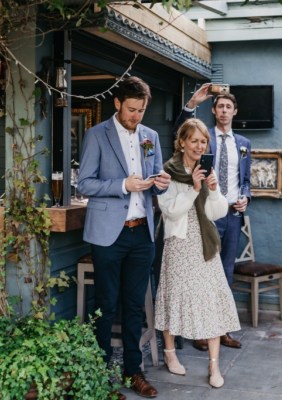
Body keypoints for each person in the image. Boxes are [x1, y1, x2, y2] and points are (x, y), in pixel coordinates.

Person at [77, 76, 171, 399]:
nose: (136, 117)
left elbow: (157, 178)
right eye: (131, 110)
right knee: (105, 304)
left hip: (142, 234)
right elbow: (84, 184)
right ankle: (101, 376)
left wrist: (161, 181)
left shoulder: (151, 136)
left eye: (141, 111)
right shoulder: (96, 135)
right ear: (117, 104)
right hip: (107, 236)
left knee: (134, 307)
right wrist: (122, 185)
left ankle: (133, 371)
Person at [154, 118, 241, 388]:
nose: (199, 146)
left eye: (204, 142)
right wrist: (193, 188)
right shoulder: (167, 171)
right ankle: (170, 354)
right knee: (173, 297)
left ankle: (214, 367)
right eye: (194, 141)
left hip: (205, 243)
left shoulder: (207, 169)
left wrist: (214, 191)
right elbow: (170, 211)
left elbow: (217, 213)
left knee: (210, 301)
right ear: (182, 142)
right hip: (179, 243)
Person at [174, 83, 251, 352]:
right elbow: (180, 128)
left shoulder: (244, 144)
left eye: (229, 107)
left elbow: (246, 180)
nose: (224, 111)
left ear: (235, 111)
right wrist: (192, 103)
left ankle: (222, 330)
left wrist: (246, 198)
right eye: (220, 106)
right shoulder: (203, 138)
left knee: (226, 272)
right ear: (214, 110)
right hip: (206, 213)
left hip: (231, 214)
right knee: (203, 270)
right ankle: (199, 330)